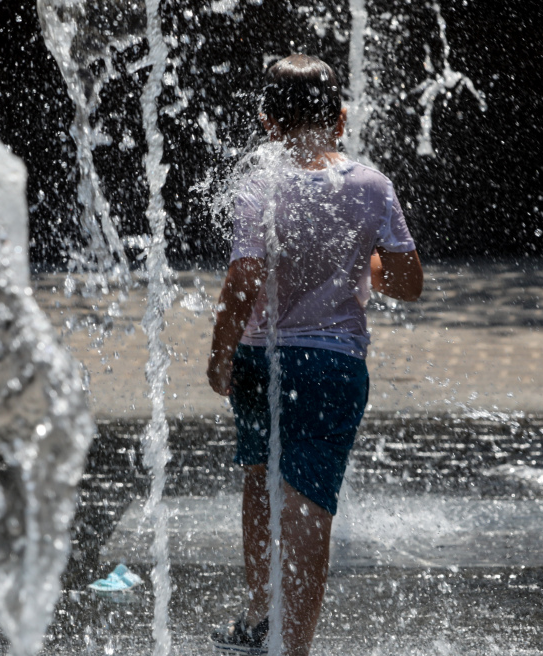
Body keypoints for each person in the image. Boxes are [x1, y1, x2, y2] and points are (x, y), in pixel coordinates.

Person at [206, 53, 423, 656]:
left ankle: (258, 615)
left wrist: (219, 353)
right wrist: (354, 258)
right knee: (311, 506)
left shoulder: (258, 183)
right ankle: (292, 645)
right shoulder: (372, 185)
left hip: (260, 361)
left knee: (259, 477)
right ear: (341, 118)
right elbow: (407, 282)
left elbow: (244, 275)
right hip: (332, 367)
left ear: (267, 121)